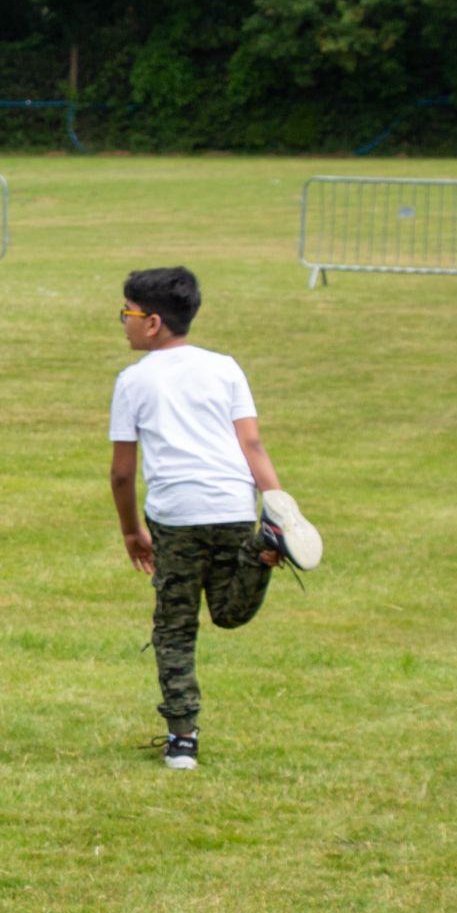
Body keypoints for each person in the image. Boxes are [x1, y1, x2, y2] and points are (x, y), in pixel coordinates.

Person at [107, 266, 323, 772]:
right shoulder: (226, 367)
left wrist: (130, 530)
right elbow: (252, 443)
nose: (123, 323)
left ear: (153, 322)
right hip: (233, 506)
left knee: (175, 628)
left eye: (127, 313)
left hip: (175, 517)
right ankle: (261, 548)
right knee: (228, 612)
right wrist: (277, 506)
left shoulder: (133, 380)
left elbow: (122, 473)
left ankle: (182, 737)